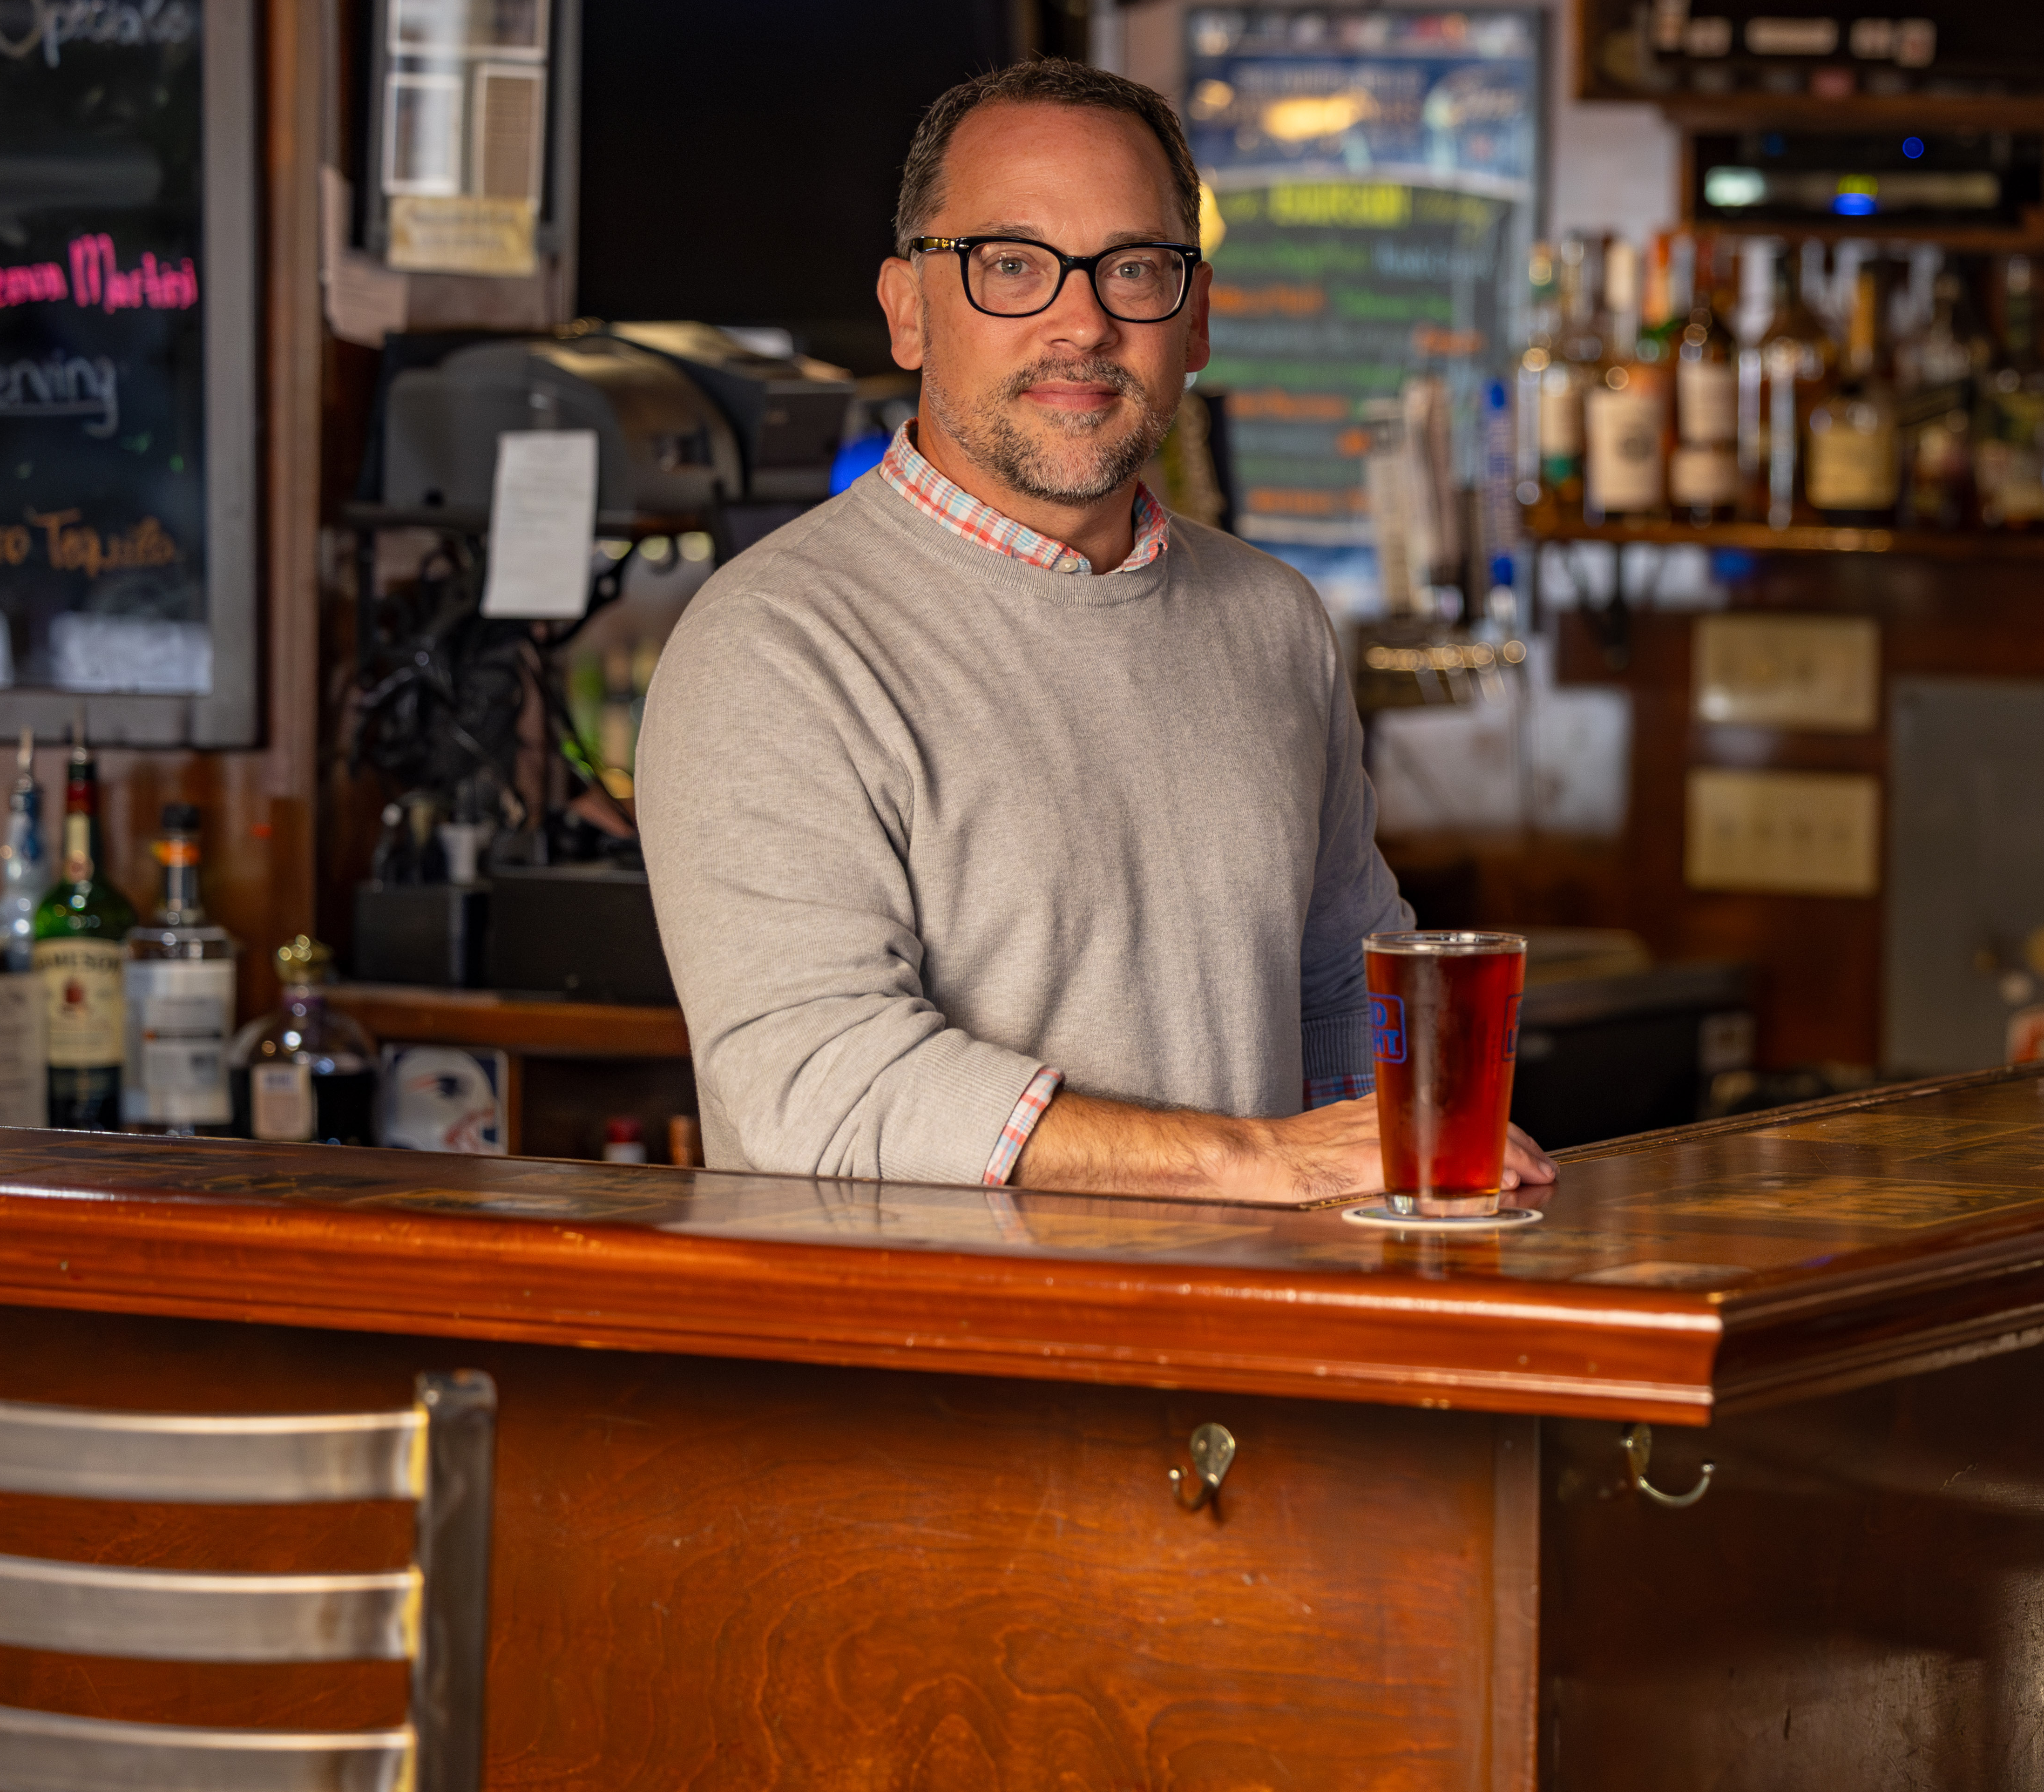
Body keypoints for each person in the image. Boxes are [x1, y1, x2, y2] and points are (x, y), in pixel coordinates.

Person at [636, 59, 1556, 1206]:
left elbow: (1338, 1010)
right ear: (909, 310)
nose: (1083, 322)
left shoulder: (1271, 621)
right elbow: (820, 1091)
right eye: (1011, 265)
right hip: (940, 1371)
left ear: (1199, 315)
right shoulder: (777, 644)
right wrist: (1246, 1161)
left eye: (1135, 268)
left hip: (1250, 1353)